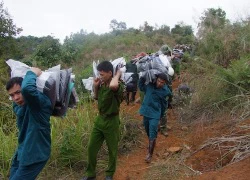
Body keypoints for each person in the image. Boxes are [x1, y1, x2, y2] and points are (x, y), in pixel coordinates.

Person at [6, 67, 53, 180]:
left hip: (35, 154)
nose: (16, 98)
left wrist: (32, 72)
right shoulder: (21, 106)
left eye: (18, 92)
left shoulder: (38, 103)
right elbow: (19, 97)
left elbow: (27, 89)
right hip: (22, 152)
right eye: (12, 95)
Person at [82, 61, 124, 180]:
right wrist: (95, 86)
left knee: (112, 150)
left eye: (102, 74)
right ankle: (90, 174)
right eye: (99, 74)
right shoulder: (101, 85)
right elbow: (96, 97)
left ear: (110, 73)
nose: (100, 76)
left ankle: (109, 174)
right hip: (100, 120)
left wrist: (118, 74)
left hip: (112, 121)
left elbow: (113, 86)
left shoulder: (117, 84)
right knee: (91, 147)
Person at [139, 73, 172, 163]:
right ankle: (152, 142)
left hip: (155, 114)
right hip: (146, 112)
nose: (160, 83)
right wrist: (142, 77)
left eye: (162, 82)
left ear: (165, 83)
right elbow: (141, 87)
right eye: (159, 81)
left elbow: (164, 105)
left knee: (152, 133)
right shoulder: (149, 85)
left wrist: (160, 116)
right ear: (156, 79)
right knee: (148, 131)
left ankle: (149, 154)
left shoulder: (165, 91)